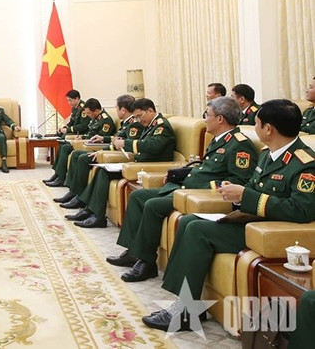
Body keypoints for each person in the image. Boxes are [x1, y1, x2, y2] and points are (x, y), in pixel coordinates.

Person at [143, 99, 315, 333]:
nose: (253, 127)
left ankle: (186, 311)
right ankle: (188, 304)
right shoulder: (268, 155)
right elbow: (253, 187)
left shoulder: (305, 163)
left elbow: (302, 210)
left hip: (268, 231)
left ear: (268, 129)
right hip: (249, 220)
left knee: (195, 229)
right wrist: (235, 195)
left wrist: (247, 197)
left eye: (256, 123)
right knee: (189, 221)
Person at [107, 96, 257, 282]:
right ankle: (134, 251)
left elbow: (237, 181)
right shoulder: (220, 139)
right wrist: (180, 175)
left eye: (207, 115)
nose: (204, 119)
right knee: (139, 196)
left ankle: (147, 263)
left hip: (200, 194)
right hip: (186, 188)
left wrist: (196, 186)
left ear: (220, 119)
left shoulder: (239, 145)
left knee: (153, 205)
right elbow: (205, 168)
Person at [66, 98, 175, 228]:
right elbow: (133, 141)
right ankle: (92, 211)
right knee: (103, 170)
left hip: (150, 165)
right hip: (138, 162)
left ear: (150, 111)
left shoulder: (161, 126)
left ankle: (96, 215)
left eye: (140, 116)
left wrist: (125, 143)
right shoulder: (151, 124)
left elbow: (153, 146)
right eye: (136, 117)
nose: (139, 120)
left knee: (103, 171)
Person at [55, 95, 140, 202]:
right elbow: (118, 139)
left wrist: (101, 152)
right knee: (75, 153)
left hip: (119, 154)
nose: (115, 111)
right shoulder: (127, 122)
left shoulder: (133, 124)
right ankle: (73, 191)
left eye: (116, 108)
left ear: (123, 110)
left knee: (81, 157)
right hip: (110, 149)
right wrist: (103, 138)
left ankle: (78, 196)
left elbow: (125, 143)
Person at [46, 98, 115, 188]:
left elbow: (99, 139)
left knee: (67, 148)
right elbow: (90, 133)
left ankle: (62, 179)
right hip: (86, 142)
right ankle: (58, 175)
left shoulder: (106, 120)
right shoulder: (96, 117)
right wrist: (82, 137)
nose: (87, 115)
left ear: (97, 110)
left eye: (89, 113)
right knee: (63, 145)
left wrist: (84, 139)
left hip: (93, 147)